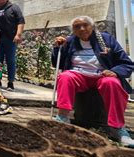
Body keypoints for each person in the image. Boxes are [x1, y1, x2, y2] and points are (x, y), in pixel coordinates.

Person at [52, 16, 134, 148]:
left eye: (85, 25)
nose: (82, 28)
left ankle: (117, 128)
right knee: (65, 77)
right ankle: (63, 117)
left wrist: (115, 72)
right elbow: (57, 63)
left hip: (102, 75)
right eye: (77, 26)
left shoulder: (106, 39)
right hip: (78, 75)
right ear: (73, 30)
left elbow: (126, 63)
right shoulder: (70, 41)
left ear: (92, 26)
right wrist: (57, 48)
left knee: (112, 83)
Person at [0, 0, 25, 91]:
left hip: (10, 39)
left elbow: (21, 21)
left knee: (10, 61)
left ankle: (10, 82)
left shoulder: (13, 7)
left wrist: (18, 34)